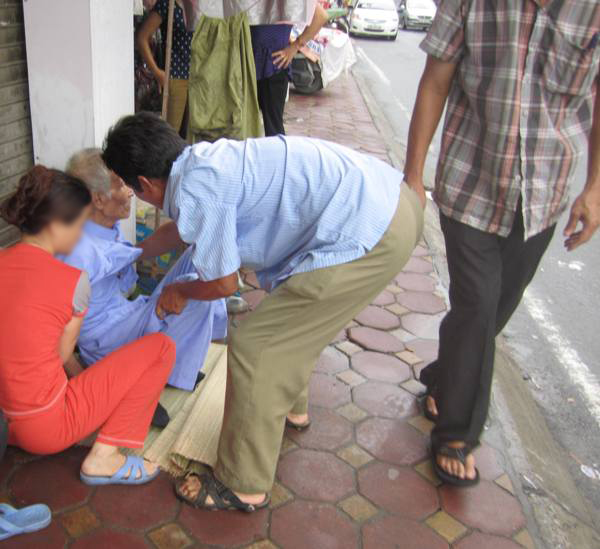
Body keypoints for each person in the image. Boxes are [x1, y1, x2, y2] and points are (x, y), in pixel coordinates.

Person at [101, 111, 424, 511]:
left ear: (146, 184)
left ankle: (241, 484)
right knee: (292, 321)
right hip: (390, 200)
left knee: (256, 346)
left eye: (128, 188)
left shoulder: (195, 190)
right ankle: (291, 409)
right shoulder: (198, 163)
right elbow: (185, 229)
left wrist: (180, 291)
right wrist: (132, 254)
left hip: (370, 230)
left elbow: (224, 285)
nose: (130, 196)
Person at [403, 0, 600, 486]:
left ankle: (445, 377)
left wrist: (595, 187)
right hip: (470, 180)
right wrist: (414, 177)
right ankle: (456, 435)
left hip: (544, 195)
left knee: (492, 312)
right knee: (477, 304)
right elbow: (436, 80)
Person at [0, 166, 175, 486]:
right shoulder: (73, 280)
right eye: (80, 225)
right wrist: (97, 390)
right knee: (162, 348)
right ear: (57, 225)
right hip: (46, 429)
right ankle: (104, 457)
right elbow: (61, 354)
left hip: (4, 426)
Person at [61, 149, 227, 395]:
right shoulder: (78, 252)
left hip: (128, 313)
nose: (130, 191)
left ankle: (188, 349)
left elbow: (144, 248)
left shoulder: (105, 227)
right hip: (107, 341)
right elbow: (56, 327)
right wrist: (84, 384)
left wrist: (205, 219)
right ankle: (168, 375)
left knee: (202, 254)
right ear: (98, 200)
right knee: (196, 289)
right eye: (121, 185)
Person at [251, 4, 329, 136]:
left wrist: (295, 46)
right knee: (243, 124)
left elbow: (321, 16)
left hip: (274, 64)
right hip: (246, 61)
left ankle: (277, 150)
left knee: (273, 127)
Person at [137, 0, 193, 134]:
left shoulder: (200, 6)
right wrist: (157, 72)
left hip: (198, 77)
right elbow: (142, 38)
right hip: (175, 75)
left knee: (194, 132)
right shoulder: (167, 4)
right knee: (171, 132)